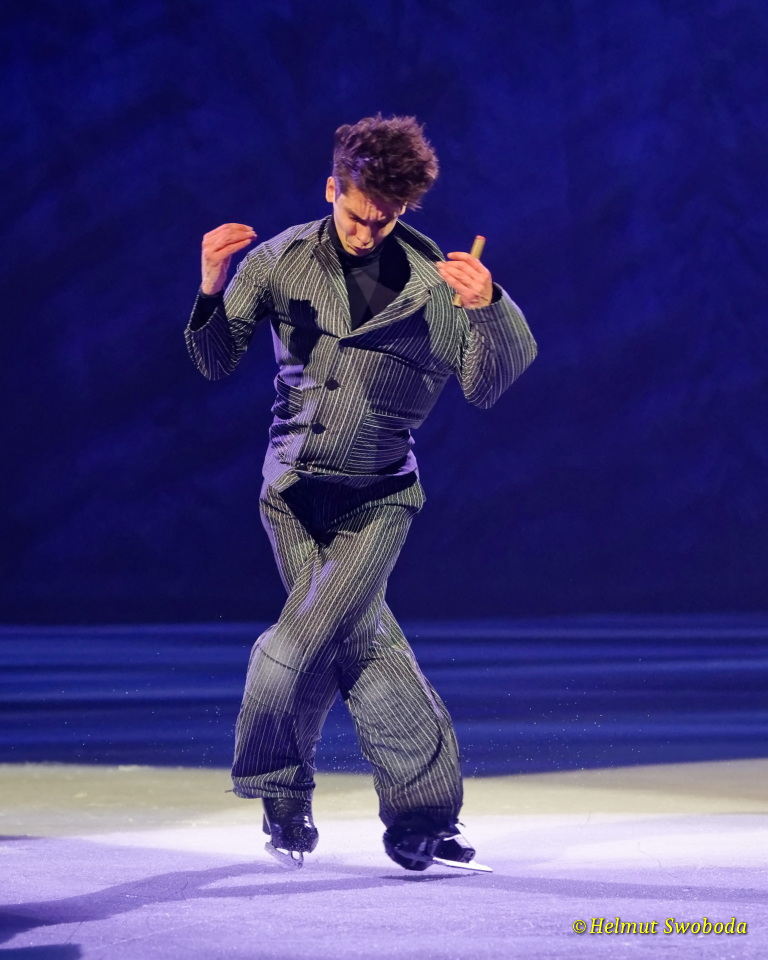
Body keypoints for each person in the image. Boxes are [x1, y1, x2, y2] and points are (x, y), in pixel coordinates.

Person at [184, 114, 537, 870]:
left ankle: (283, 800)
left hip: (379, 497)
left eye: (385, 219)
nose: (367, 231)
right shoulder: (279, 259)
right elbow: (215, 360)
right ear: (331, 189)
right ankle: (423, 819)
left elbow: (487, 384)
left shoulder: (438, 284)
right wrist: (211, 285)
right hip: (291, 492)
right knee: (360, 642)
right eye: (355, 215)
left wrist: (491, 307)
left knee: (298, 641)